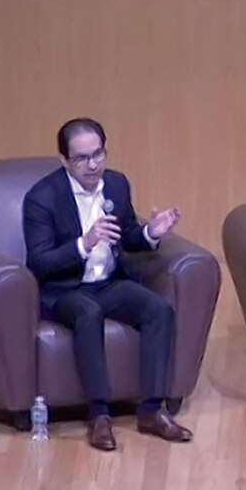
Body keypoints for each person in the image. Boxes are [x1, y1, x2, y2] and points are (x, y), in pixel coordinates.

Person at [22, 117, 192, 451]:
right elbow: (39, 263)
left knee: (158, 309)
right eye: (82, 158)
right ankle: (99, 415)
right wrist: (83, 244)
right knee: (88, 312)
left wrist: (150, 233)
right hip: (64, 289)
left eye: (98, 154)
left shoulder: (116, 184)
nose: (93, 164)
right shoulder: (42, 198)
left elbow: (126, 234)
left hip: (108, 282)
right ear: (64, 161)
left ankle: (152, 409)